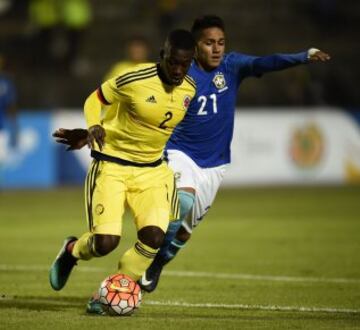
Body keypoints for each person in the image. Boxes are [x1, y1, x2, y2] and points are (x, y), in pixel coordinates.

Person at [52, 15, 330, 294]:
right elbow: (113, 104)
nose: (217, 49)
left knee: (180, 233)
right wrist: (95, 128)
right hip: (176, 154)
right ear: (195, 47)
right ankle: (102, 269)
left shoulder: (220, 72)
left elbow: (264, 63)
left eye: (221, 42)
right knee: (168, 208)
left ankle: (154, 264)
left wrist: (303, 56)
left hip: (213, 164)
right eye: (209, 43)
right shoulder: (165, 75)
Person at [49, 29, 196, 313]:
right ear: (162, 56)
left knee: (154, 237)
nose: (178, 70)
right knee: (105, 243)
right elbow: (95, 99)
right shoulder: (135, 78)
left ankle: (111, 293)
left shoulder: (190, 88)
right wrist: (93, 126)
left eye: (185, 64)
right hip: (113, 165)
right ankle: (71, 250)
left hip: (152, 172)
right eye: (173, 62)